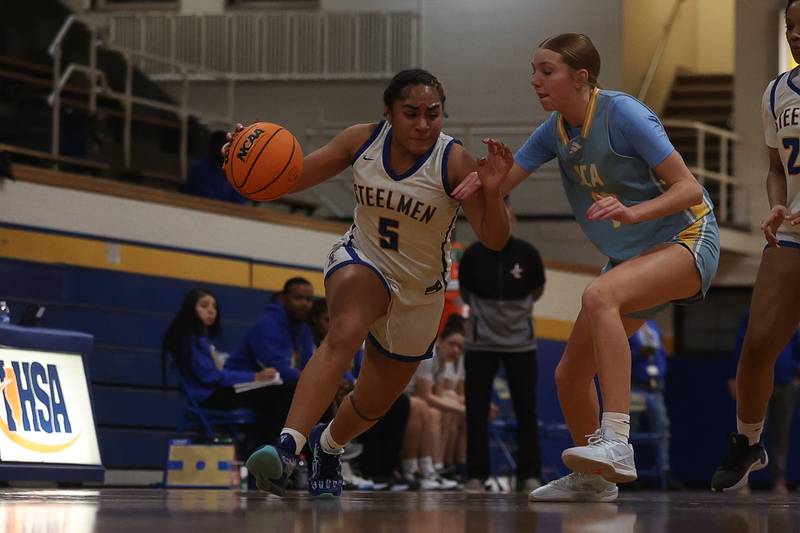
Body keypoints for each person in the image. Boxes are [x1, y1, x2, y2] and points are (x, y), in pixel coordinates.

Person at [453, 33, 720, 502]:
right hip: (632, 256)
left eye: (546, 71)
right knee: (570, 374)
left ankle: (617, 441)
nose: (535, 81)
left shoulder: (624, 113)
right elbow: (496, 210)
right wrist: (491, 188)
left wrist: (635, 211)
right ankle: (594, 481)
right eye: (533, 71)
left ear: (581, 78)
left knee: (600, 296)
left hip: (687, 238)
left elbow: (690, 189)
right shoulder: (553, 132)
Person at [225, 69, 512, 498]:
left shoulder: (453, 161)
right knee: (344, 330)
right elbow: (288, 178)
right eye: (410, 113)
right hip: (362, 259)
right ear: (389, 113)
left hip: (420, 293)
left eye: (433, 114)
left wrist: (492, 192)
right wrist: (244, 160)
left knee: (376, 401)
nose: (422, 124)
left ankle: (329, 445)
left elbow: (495, 239)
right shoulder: (360, 140)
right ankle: (287, 446)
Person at [711, 0, 800, 493]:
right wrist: (776, 203)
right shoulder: (775, 92)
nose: (795, 33)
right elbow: (774, 168)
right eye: (790, 25)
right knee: (757, 346)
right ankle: (749, 442)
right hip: (792, 232)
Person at [458, 195, 546, 493]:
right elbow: (467, 294)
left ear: (514, 221)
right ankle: (476, 475)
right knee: (476, 410)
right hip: (480, 345)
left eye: (506, 219)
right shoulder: (471, 255)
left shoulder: (529, 254)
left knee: (526, 410)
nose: (501, 224)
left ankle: (529, 475)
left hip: (520, 345)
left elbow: (537, 290)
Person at [161, 289, 294, 446]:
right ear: (191, 309)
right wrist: (255, 377)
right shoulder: (191, 340)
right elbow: (211, 377)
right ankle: (264, 451)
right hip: (209, 397)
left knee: (274, 402)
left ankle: (261, 450)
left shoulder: (200, 339)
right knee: (282, 390)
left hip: (214, 393)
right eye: (204, 306)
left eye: (214, 307)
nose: (211, 310)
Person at [724, 311, 800, 493]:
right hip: (757, 382)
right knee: (752, 433)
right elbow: (741, 345)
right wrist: (735, 377)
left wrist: (797, 374)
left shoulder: (792, 313)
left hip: (785, 381)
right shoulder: (753, 313)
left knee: (781, 432)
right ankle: (743, 480)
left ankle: (779, 480)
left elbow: (797, 344)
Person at [401, 322, 465, 490]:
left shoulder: (444, 363)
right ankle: (425, 467)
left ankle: (439, 466)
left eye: (460, 347)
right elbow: (426, 395)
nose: (456, 350)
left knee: (445, 408)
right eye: (452, 344)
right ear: (440, 341)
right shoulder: (428, 357)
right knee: (432, 412)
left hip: (415, 398)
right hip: (402, 397)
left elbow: (438, 394)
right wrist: (468, 410)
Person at [224, 277, 316, 386]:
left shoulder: (304, 329)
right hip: (238, 385)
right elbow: (276, 369)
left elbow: (309, 367)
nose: (304, 303)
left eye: (309, 299)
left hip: (271, 386)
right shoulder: (267, 324)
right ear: (283, 298)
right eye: (298, 297)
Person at [628, 320, 671, 485]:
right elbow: (621, 353)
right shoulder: (630, 324)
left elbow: (661, 353)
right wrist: (639, 353)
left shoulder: (653, 325)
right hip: (637, 387)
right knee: (632, 428)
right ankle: (628, 472)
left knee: (662, 426)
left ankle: (664, 469)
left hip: (655, 388)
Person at [184, 130, 248, 204]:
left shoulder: (231, 172)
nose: (227, 152)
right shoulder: (199, 169)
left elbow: (240, 201)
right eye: (224, 148)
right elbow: (209, 201)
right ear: (213, 148)